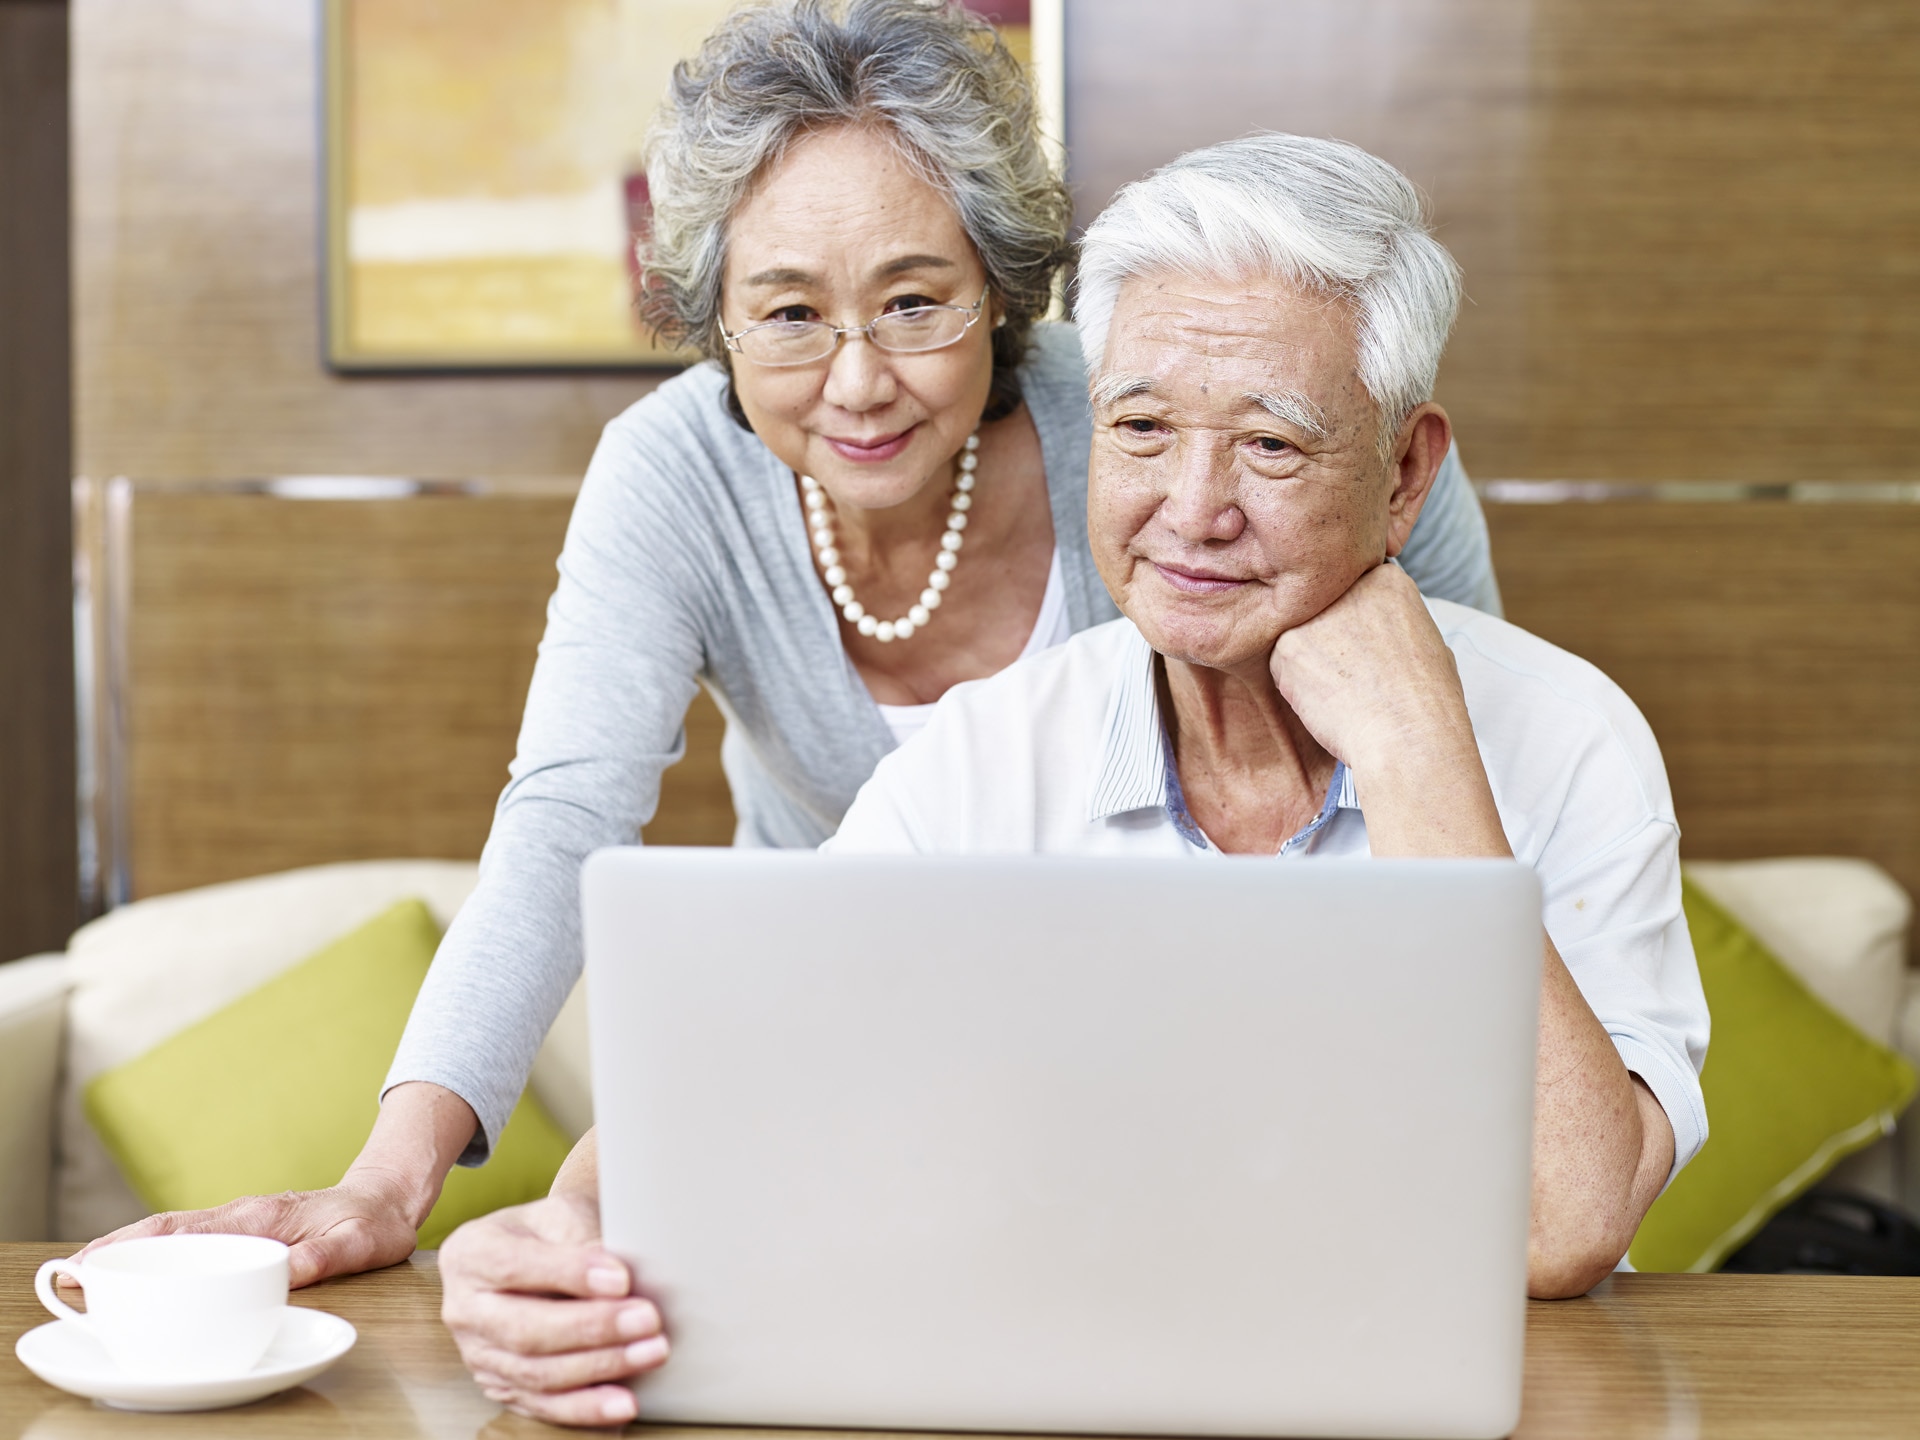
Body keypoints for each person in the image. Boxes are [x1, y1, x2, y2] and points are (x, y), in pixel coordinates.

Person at [78, 0, 1498, 1304]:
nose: (860, 378)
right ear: (714, 321)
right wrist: (387, 1185)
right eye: (790, 313)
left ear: (1003, 289)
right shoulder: (674, 476)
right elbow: (568, 813)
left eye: (916, 301)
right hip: (842, 1050)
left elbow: (1479, 713)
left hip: (1180, 1036)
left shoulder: (1154, 438)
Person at [430, 131, 1708, 1428]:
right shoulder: (985, 759)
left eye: (1270, 446)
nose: (1191, 509)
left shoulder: (1569, 740)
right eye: (1143, 428)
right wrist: (557, 1241)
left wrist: (1423, 756)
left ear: (1404, 475)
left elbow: (1566, 1229)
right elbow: (742, 1095)